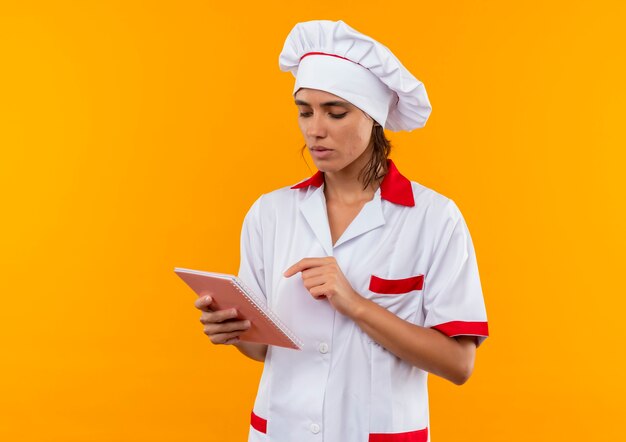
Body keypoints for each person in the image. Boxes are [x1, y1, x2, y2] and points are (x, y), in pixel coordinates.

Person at [195, 19, 489, 442]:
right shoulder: (270, 213)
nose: (315, 129)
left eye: (336, 112)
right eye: (304, 111)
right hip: (281, 431)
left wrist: (354, 304)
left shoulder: (434, 218)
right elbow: (262, 350)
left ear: (373, 118)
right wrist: (233, 331)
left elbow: (459, 365)